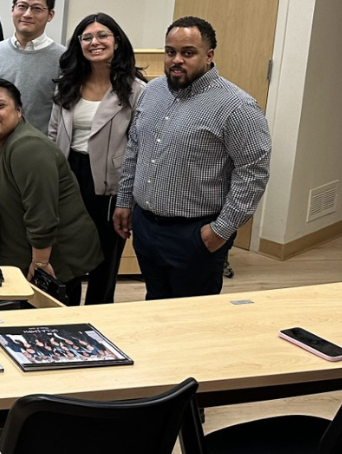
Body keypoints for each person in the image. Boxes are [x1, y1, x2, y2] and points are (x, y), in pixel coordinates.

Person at [113, 16, 271, 300]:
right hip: (146, 226)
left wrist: (222, 230)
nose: (176, 60)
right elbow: (135, 147)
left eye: (188, 53)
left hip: (196, 234)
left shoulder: (236, 106)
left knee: (191, 318)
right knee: (155, 305)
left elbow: (253, 172)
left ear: (209, 55)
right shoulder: (152, 92)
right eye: (170, 52)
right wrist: (125, 200)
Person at [0, 79, 102, 306]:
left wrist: (41, 265)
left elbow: (41, 214)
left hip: (47, 259)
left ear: (18, 110)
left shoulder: (29, 147)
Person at [47, 13, 147, 305]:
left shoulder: (136, 90)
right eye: (86, 37)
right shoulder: (67, 85)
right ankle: (66, 316)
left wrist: (126, 199)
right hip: (69, 176)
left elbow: (138, 146)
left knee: (105, 259)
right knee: (66, 253)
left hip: (110, 184)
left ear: (117, 41)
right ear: (78, 44)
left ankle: (98, 317)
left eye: (103, 35)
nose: (95, 42)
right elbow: (53, 134)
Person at [0, 0, 64, 131]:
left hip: (41, 147)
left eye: (37, 8)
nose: (27, 14)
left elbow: (63, 112)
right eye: (22, 6)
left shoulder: (63, 57)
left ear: (50, 15)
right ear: (13, 9)